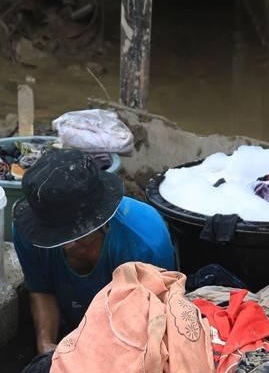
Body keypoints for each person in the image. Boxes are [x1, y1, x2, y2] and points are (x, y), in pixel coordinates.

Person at [13, 147, 176, 354]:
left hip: (131, 335)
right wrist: (45, 343)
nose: (67, 246)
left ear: (101, 219)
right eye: (55, 238)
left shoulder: (144, 242)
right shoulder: (30, 234)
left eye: (76, 237)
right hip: (72, 333)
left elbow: (154, 323)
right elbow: (41, 288)